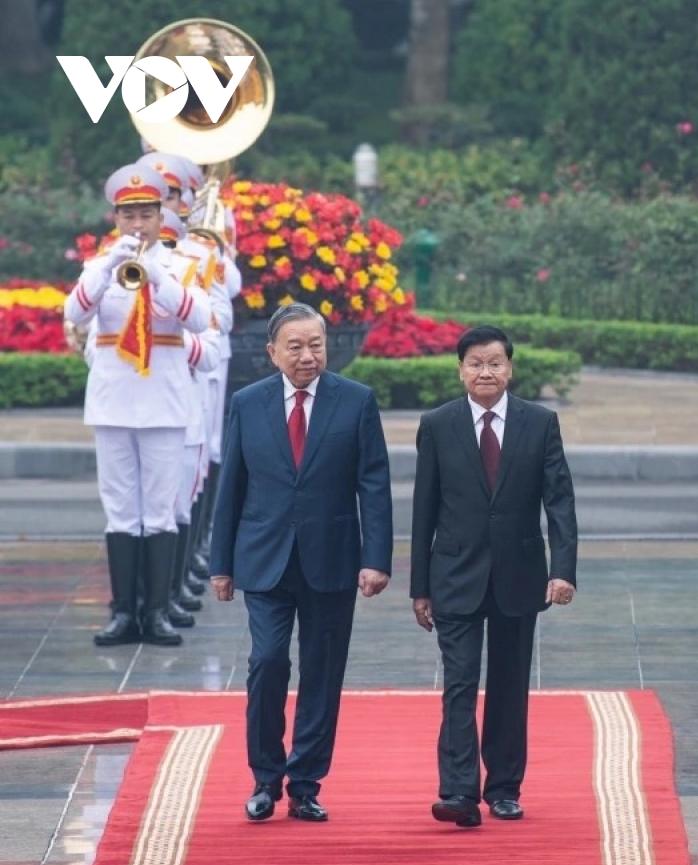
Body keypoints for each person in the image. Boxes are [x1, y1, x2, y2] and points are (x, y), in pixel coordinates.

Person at [209, 302, 393, 823]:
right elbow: (232, 489)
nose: (307, 355)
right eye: (295, 346)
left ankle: (306, 783)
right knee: (266, 662)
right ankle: (265, 778)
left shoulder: (355, 402)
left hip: (332, 558)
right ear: (272, 352)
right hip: (264, 560)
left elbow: (373, 485)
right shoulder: (247, 403)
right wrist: (221, 564)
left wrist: (376, 559)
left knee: (322, 672)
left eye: (316, 344)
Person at [410, 325, 578, 828]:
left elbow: (560, 501)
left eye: (495, 363)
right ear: (460, 370)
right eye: (476, 364)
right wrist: (420, 587)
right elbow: (424, 511)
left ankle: (504, 788)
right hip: (455, 576)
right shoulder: (438, 424)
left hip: (519, 576)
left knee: (509, 686)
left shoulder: (539, 423)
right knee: (459, 684)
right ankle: (459, 793)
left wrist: (563, 570)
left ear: (510, 368)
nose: (486, 372)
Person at [66, 162, 213, 647]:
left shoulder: (181, 266)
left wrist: (157, 276)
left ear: (160, 215)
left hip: (164, 405)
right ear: (116, 219)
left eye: (147, 214)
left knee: (161, 510)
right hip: (112, 404)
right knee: (121, 510)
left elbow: (200, 319)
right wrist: (111, 265)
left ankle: (157, 612)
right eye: (129, 216)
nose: (138, 225)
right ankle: (123, 612)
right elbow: (75, 312)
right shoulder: (100, 266)